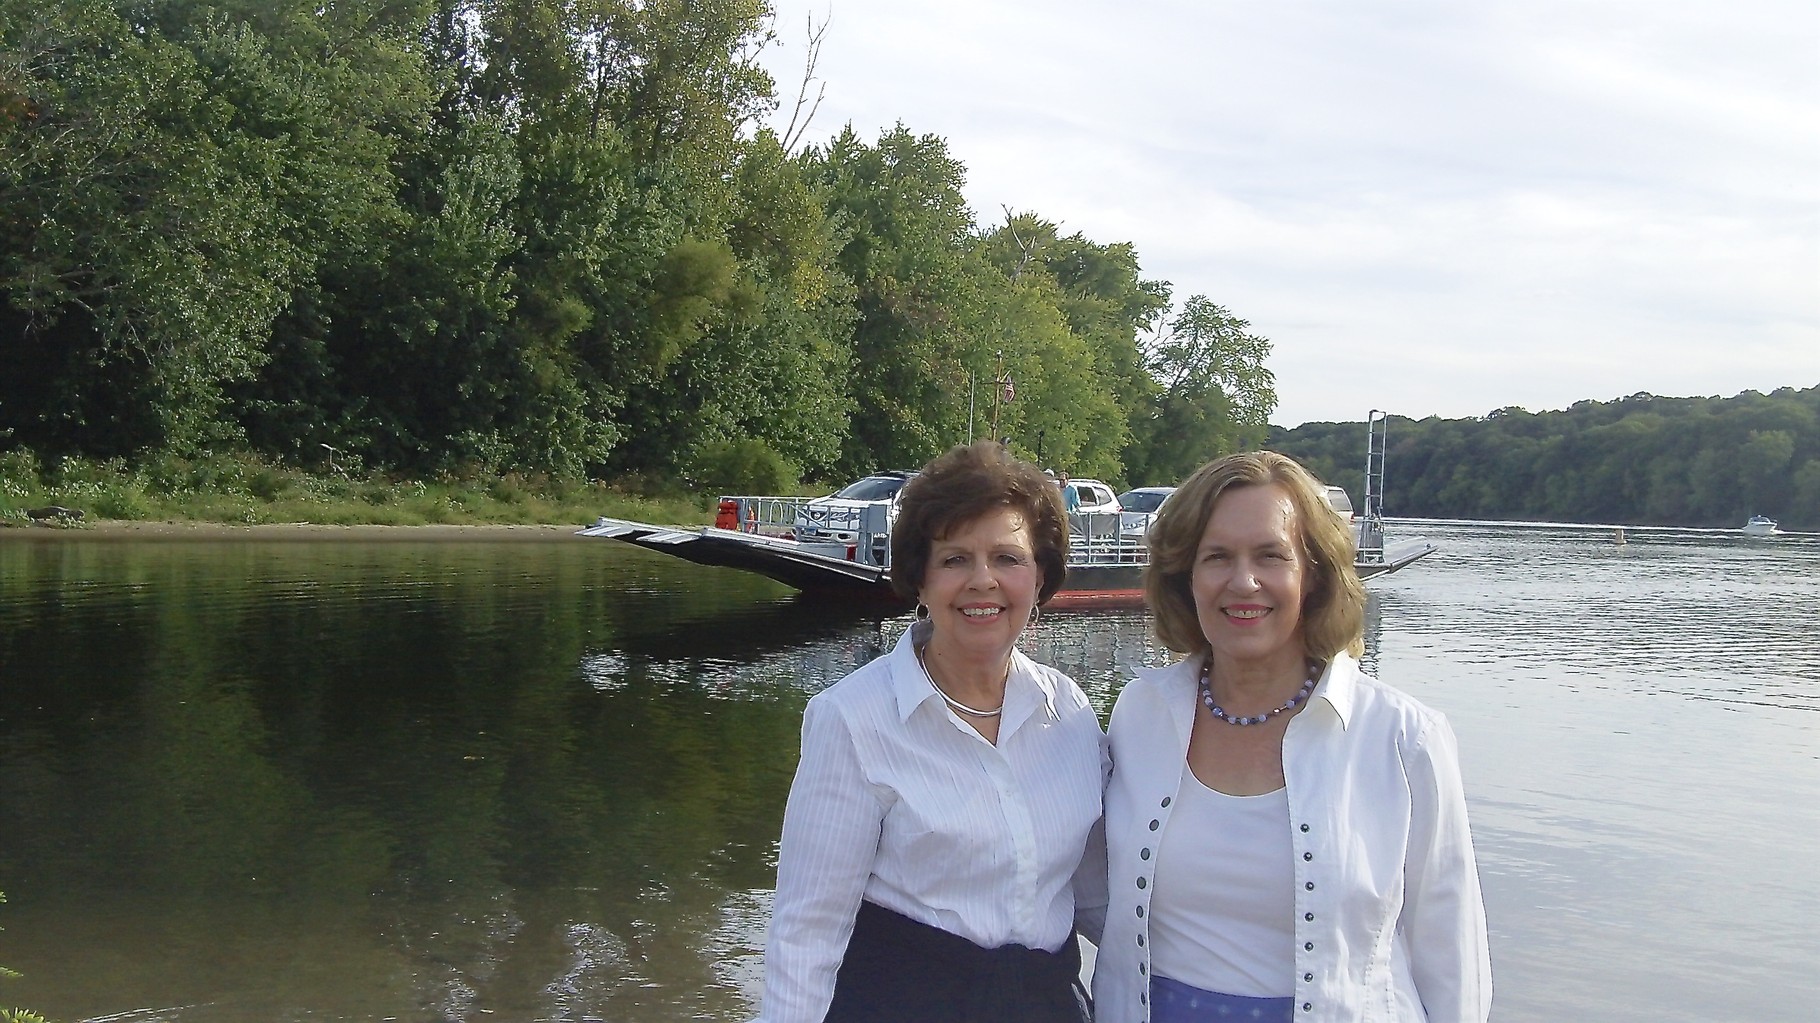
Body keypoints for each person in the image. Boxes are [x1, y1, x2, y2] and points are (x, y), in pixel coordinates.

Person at [1094, 451, 1491, 1023]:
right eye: (1217, 557)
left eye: (1270, 556)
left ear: (1314, 574)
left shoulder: (1404, 738)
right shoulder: (1140, 713)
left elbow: (1453, 958)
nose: (1243, 581)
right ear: (1186, 577)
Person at [757, 440, 1107, 1023]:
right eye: (954, 560)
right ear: (920, 580)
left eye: (1008, 558)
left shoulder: (1068, 711)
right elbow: (807, 933)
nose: (982, 581)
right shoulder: (852, 719)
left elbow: (1099, 900)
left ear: (1040, 576)